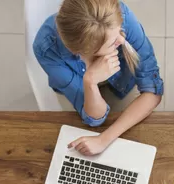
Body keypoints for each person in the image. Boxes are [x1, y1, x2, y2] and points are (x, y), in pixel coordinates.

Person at [34, 0, 164, 155]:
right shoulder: (46, 48)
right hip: (79, 89)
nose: (122, 41)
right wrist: (90, 81)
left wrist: (103, 140)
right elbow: (94, 118)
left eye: (120, 32)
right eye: (112, 43)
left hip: (123, 83)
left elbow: (152, 91)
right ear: (83, 52)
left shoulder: (118, 15)